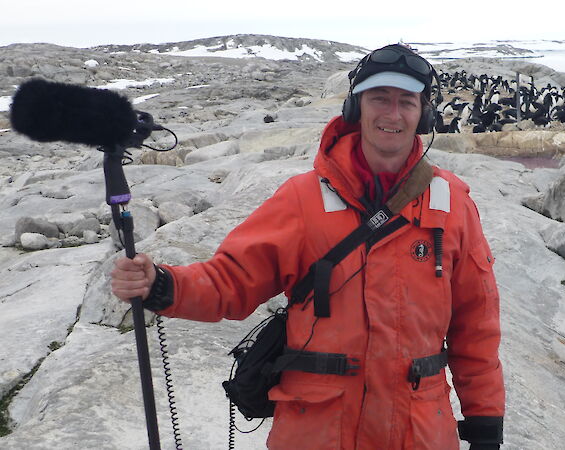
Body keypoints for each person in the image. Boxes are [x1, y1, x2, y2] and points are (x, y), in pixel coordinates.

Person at [111, 43, 505, 450]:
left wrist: (485, 427)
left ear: (424, 114)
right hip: (319, 431)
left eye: (406, 101)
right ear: (355, 107)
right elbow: (231, 280)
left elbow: (475, 328)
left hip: (419, 432)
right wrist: (161, 285)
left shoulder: (453, 203)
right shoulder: (302, 199)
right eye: (379, 98)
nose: (392, 113)